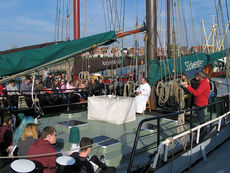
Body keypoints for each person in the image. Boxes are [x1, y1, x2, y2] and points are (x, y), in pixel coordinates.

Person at [183, 71, 210, 136]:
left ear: (201, 77)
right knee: (200, 117)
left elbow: (196, 93)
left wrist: (187, 86)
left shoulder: (204, 84)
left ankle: (203, 132)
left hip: (201, 104)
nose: (196, 77)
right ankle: (202, 130)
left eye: (198, 76)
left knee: (201, 118)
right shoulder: (203, 82)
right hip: (200, 103)